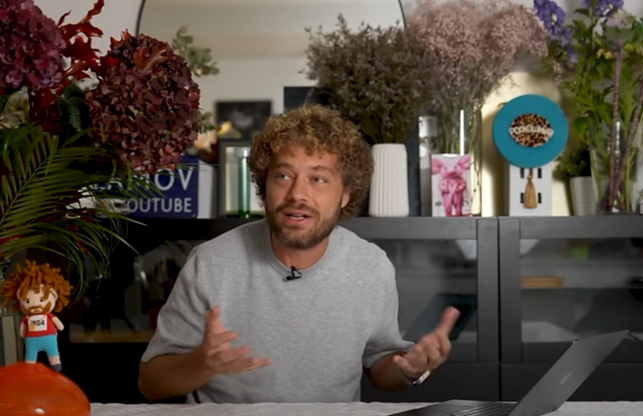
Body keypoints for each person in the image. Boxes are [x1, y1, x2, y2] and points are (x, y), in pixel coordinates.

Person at [137, 104, 460, 403]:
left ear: (345, 195)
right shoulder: (210, 263)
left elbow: (381, 367)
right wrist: (202, 363)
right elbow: (150, 383)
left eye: (318, 179)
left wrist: (410, 368)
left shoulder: (370, 266)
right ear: (264, 186)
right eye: (283, 176)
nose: (297, 194)